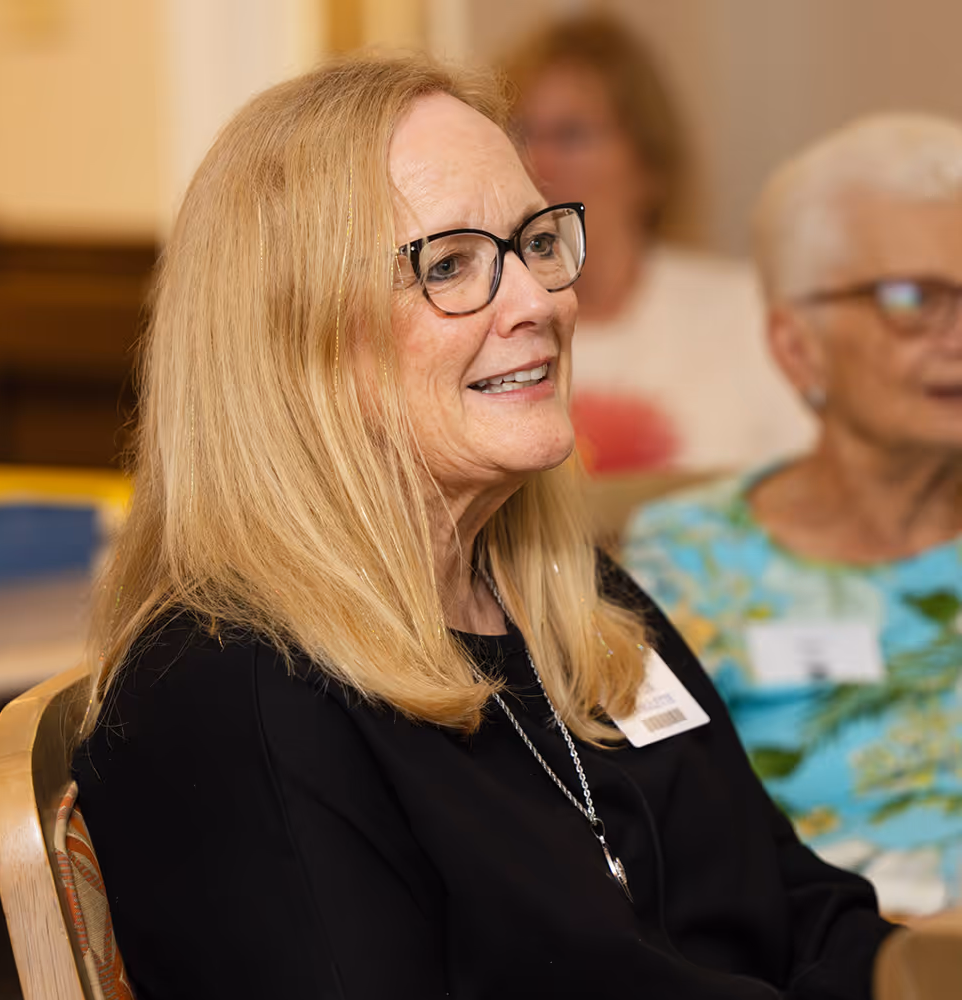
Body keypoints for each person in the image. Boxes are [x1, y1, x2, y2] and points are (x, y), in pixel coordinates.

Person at [72, 55, 892, 998]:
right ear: (291, 341)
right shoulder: (237, 694)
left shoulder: (576, 601)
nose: (542, 301)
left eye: (536, 242)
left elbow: (807, 915)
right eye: (451, 264)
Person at [625, 113, 962, 917]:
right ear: (797, 345)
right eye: (912, 299)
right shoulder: (688, 562)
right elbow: (658, 843)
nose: (959, 334)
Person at [502, 13, 813, 475]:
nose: (539, 162)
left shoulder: (745, 312)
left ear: (648, 162)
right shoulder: (494, 328)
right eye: (522, 134)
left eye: (572, 135)